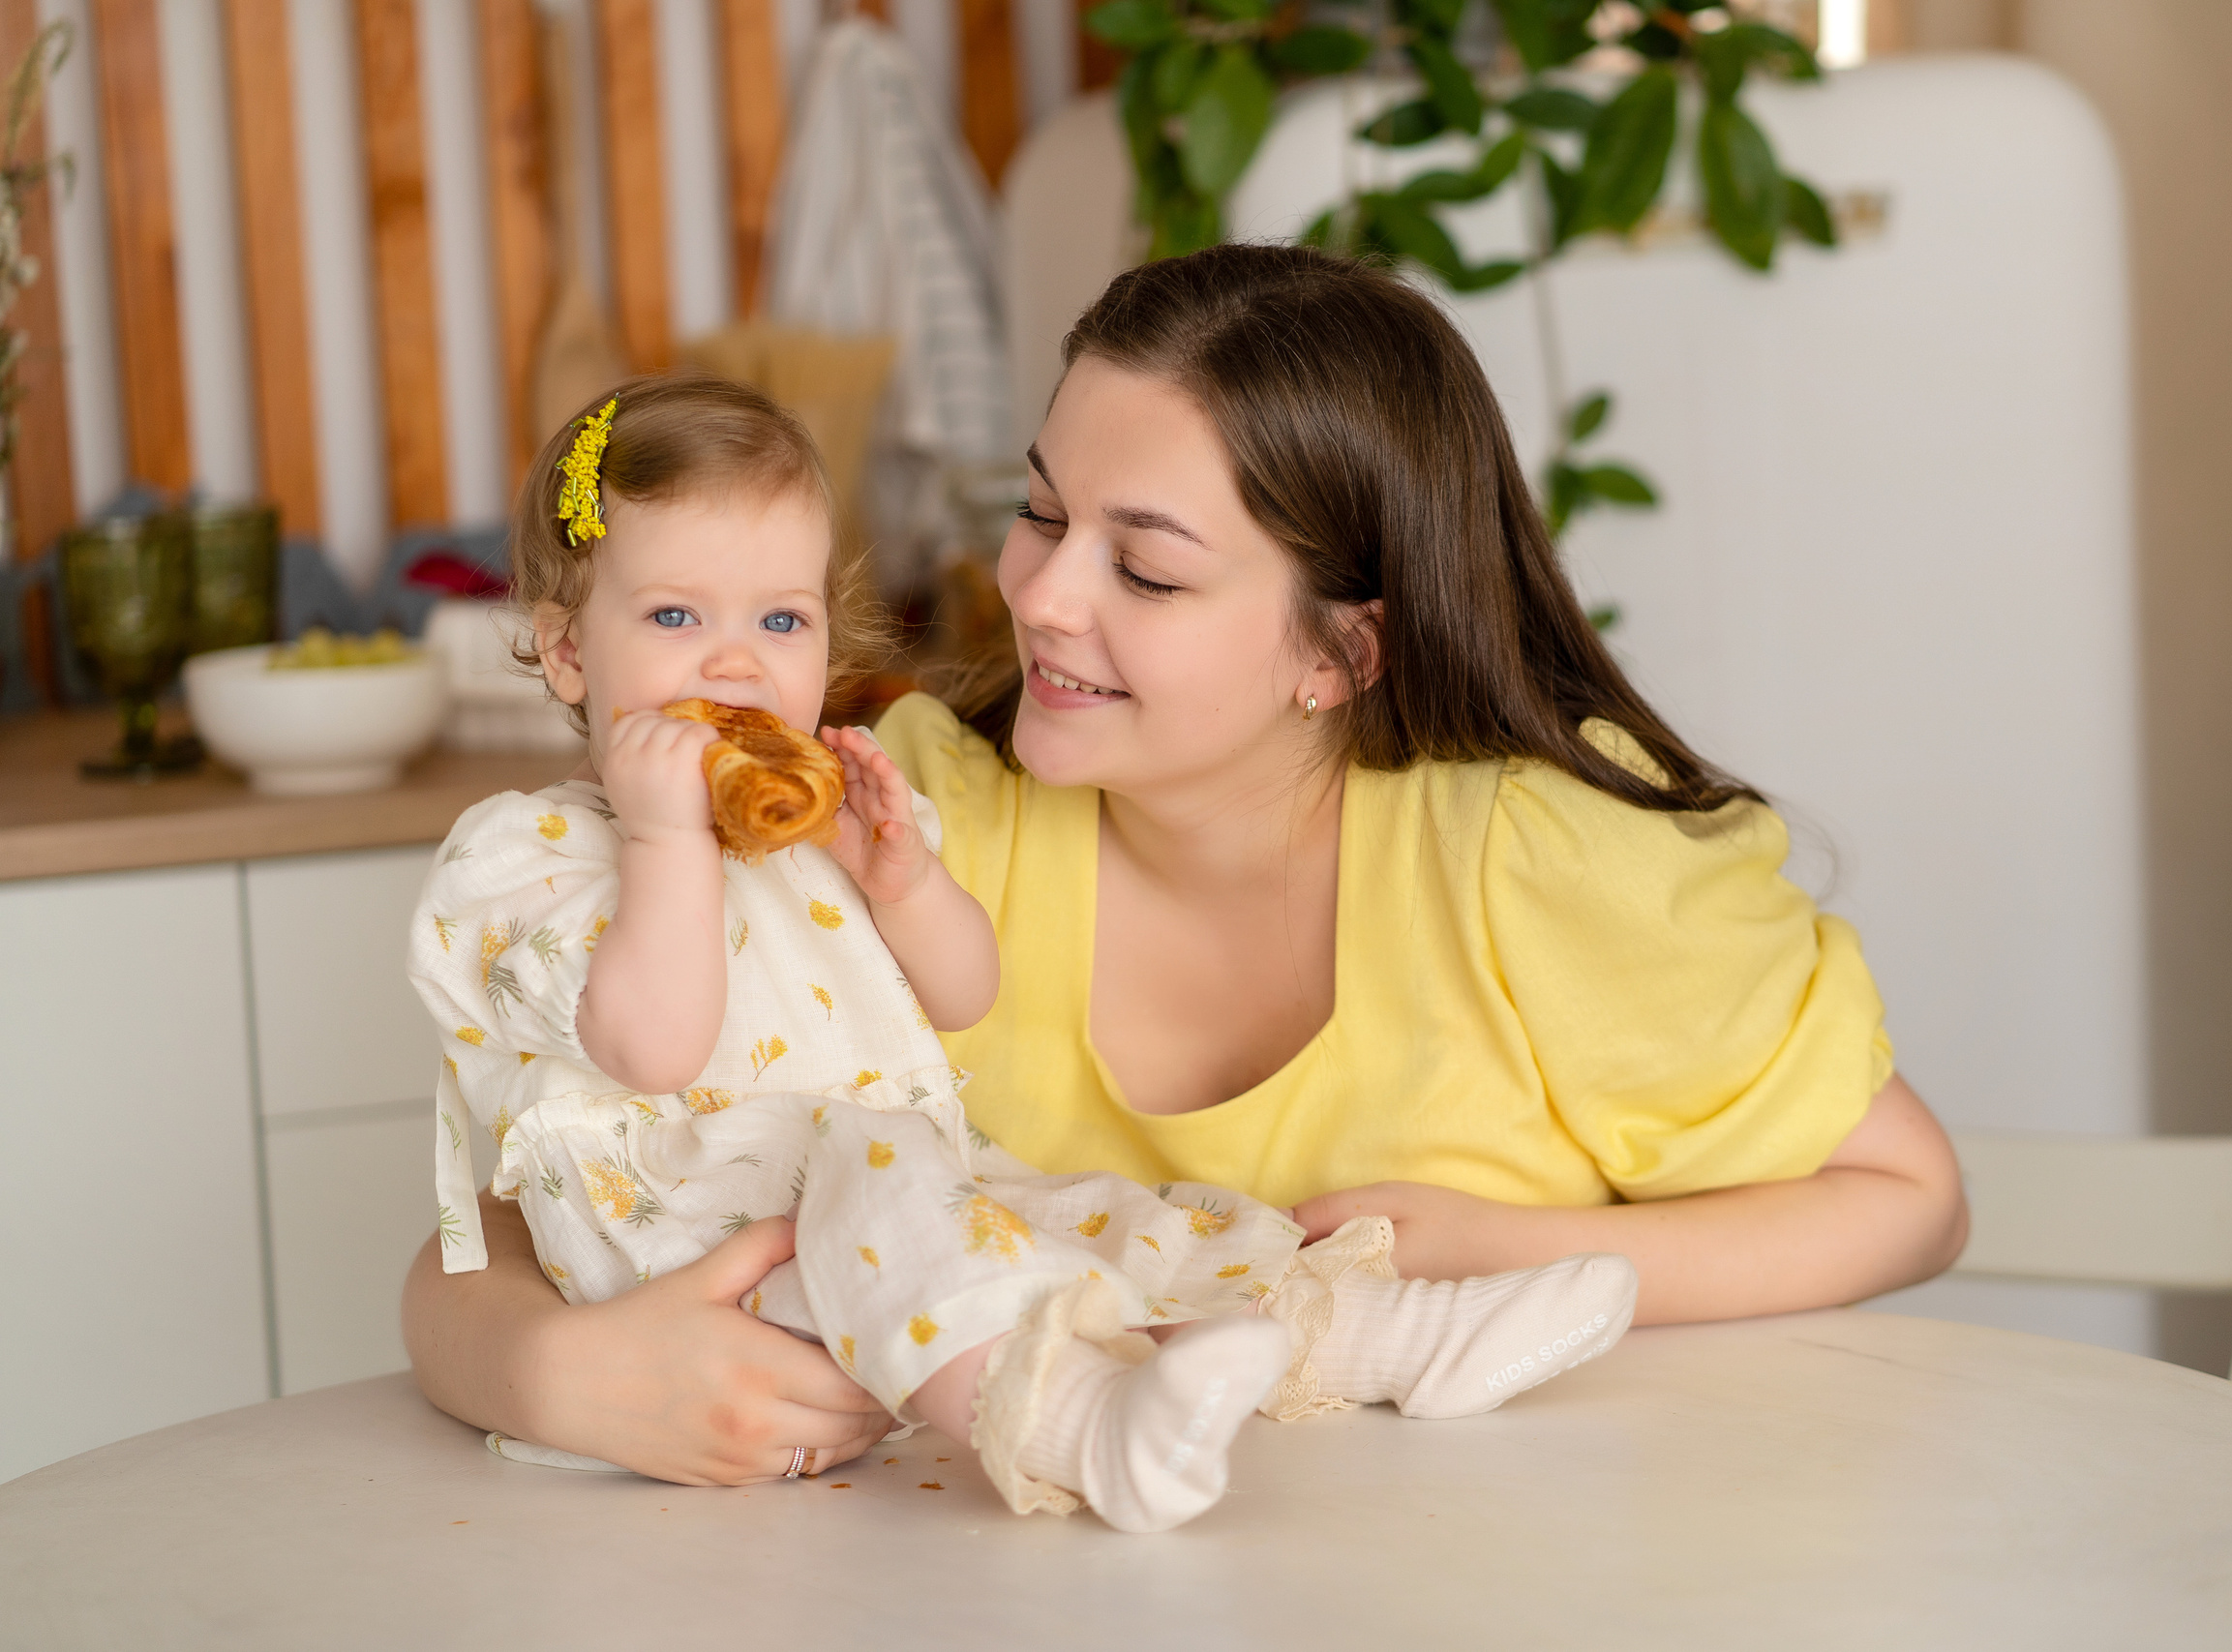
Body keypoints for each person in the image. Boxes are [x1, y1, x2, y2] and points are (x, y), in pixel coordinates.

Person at [401, 245, 1969, 1490]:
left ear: (1339, 650)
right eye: (1038, 511)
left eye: (1144, 565)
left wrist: (1505, 1250)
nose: (1040, 593)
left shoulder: (1547, 860)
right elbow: (502, 1232)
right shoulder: (921, 825)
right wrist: (560, 1377)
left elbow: (1910, 1200)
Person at [407, 375, 1641, 1530]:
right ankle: (1079, 1427)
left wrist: (903, 878)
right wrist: (670, 839)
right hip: (709, 1270)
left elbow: (962, 994)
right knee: (901, 1174)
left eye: (779, 619)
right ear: (570, 653)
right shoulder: (529, 860)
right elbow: (654, 1048)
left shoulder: (815, 823)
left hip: (898, 1204)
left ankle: (1378, 1334)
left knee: (1111, 1215)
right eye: (675, 616)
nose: (735, 664)